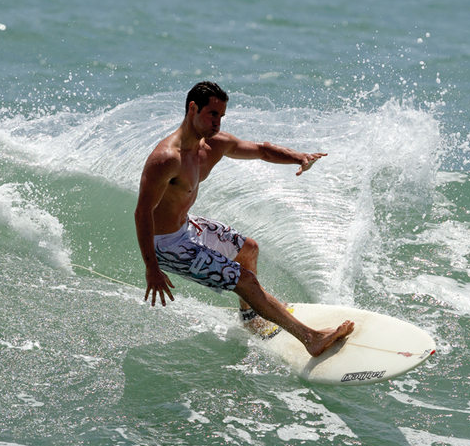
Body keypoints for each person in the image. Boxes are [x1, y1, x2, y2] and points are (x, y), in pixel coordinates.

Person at [134, 81, 354, 357]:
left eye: (221, 116)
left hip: (187, 226)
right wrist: (151, 268)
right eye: (212, 114)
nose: (217, 123)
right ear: (193, 108)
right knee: (246, 280)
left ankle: (251, 319)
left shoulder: (213, 146)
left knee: (249, 249)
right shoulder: (166, 158)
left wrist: (299, 157)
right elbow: (142, 212)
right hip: (165, 245)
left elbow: (261, 150)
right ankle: (310, 338)